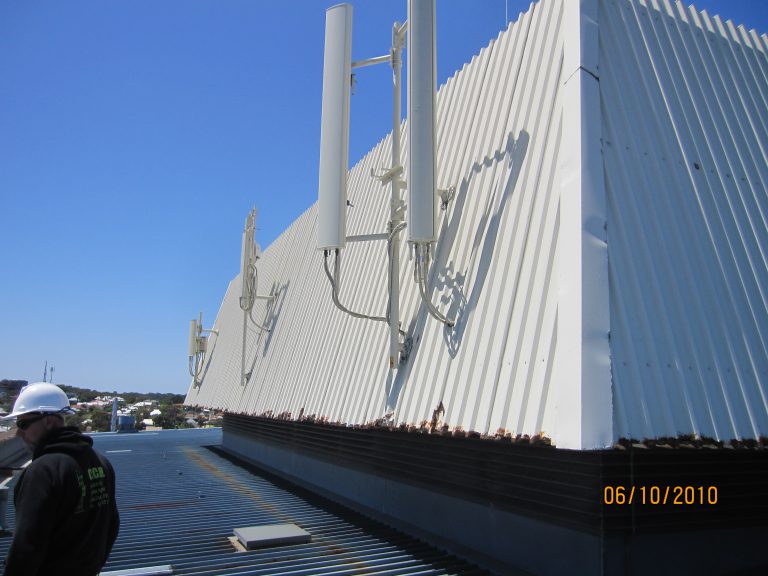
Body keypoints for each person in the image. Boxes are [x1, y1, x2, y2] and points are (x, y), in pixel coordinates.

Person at [1, 383, 120, 576]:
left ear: (48, 421)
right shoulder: (100, 462)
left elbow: (27, 545)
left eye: (23, 424)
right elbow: (112, 525)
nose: (18, 433)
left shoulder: (43, 471)